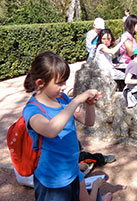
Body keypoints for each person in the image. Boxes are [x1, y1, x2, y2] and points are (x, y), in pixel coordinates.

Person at [23, 51, 104, 201]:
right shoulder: (32, 110)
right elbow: (50, 130)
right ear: (40, 83)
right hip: (52, 182)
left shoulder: (63, 99)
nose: (64, 87)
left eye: (65, 81)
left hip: (71, 172)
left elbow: (88, 121)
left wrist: (90, 105)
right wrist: (77, 100)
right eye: (59, 83)